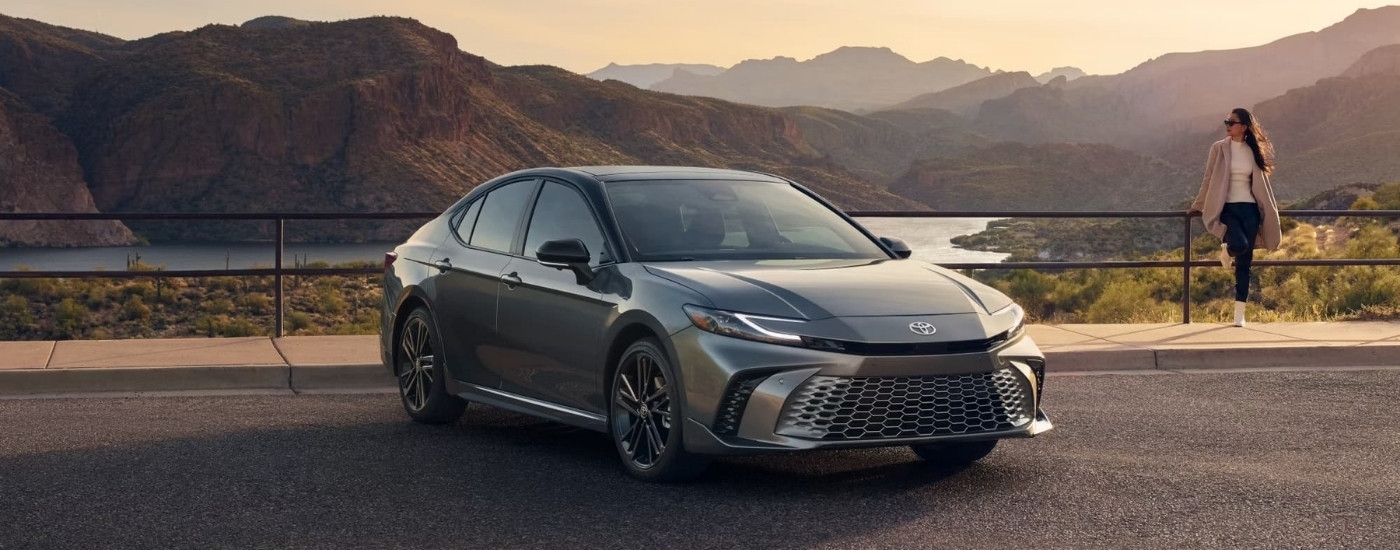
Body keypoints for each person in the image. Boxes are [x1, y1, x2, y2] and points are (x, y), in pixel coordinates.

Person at [1189, 108, 1283, 327]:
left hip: (1249, 208)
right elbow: (1209, 177)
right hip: (1228, 208)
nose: (1227, 125)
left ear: (1244, 126)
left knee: (1245, 263)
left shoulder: (1253, 150)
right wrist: (1198, 204)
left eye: (1231, 122)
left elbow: (1261, 183)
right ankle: (1227, 248)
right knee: (1238, 244)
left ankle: (1239, 314)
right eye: (1227, 121)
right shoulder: (1219, 148)